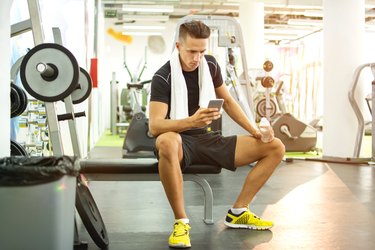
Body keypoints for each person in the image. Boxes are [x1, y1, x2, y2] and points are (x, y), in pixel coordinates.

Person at [148, 20, 285, 249]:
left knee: (276, 147)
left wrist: (256, 132)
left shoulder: (210, 65)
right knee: (167, 141)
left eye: (202, 51)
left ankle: (239, 211)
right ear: (178, 47)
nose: (197, 58)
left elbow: (229, 102)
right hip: (180, 142)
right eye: (192, 51)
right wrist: (191, 121)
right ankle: (181, 222)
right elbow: (155, 126)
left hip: (208, 138)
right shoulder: (163, 77)